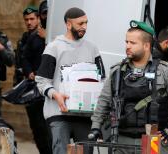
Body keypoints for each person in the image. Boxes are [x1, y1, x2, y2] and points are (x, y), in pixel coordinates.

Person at [89, 20, 168, 154]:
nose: (128, 46)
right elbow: (104, 101)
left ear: (147, 45)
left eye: (133, 43)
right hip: (121, 141)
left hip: (152, 141)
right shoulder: (117, 71)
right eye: (126, 42)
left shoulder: (164, 71)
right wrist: (96, 127)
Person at [35, 7, 105, 154]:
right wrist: (56, 94)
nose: (84, 27)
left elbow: (102, 79)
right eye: (80, 23)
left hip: (85, 114)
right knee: (60, 151)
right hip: (58, 113)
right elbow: (41, 81)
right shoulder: (54, 47)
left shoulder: (92, 49)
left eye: (86, 23)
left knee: (86, 151)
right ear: (68, 24)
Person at [21, 5, 52, 154]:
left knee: (50, 128)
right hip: (36, 90)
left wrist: (49, 38)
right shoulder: (33, 37)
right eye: (44, 14)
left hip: (53, 91)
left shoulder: (61, 36)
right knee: (38, 128)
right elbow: (24, 57)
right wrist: (29, 73)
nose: (46, 17)